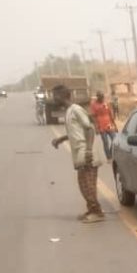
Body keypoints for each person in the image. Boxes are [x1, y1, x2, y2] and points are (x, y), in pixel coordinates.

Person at [50, 84, 104, 223]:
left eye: (55, 96)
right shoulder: (69, 111)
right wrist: (61, 139)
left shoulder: (76, 110)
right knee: (83, 184)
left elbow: (90, 129)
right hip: (80, 152)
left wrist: (88, 150)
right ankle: (92, 209)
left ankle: (96, 213)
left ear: (63, 96)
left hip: (86, 152)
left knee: (88, 184)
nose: (53, 99)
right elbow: (76, 132)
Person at [89, 91, 117, 160]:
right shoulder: (94, 105)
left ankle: (110, 152)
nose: (102, 98)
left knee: (114, 139)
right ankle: (109, 157)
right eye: (100, 97)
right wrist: (96, 127)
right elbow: (93, 116)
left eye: (103, 97)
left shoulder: (105, 103)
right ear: (97, 97)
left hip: (109, 124)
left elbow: (110, 114)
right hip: (101, 125)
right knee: (105, 142)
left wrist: (115, 125)